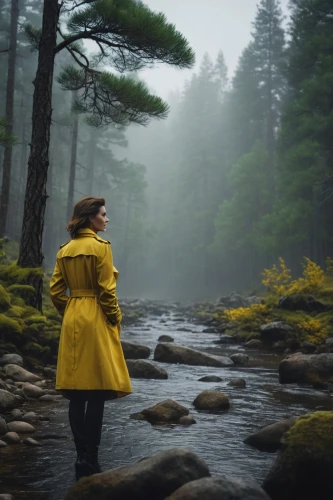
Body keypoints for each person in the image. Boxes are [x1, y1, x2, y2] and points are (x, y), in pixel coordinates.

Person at [50, 196, 132, 480]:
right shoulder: (101, 247)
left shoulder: (65, 250)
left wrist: (71, 310)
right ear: (90, 218)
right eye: (104, 214)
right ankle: (91, 458)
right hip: (96, 316)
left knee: (76, 392)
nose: (107, 219)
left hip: (73, 315)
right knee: (97, 390)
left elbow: (56, 292)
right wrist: (115, 318)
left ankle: (79, 458)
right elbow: (107, 291)